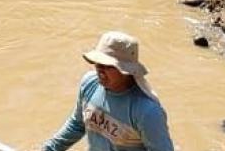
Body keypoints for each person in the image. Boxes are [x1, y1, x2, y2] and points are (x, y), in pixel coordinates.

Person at [43, 31, 174, 151]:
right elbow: (77, 125)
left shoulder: (147, 111)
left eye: (107, 66)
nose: (99, 70)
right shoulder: (89, 84)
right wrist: (49, 148)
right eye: (97, 63)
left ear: (126, 70)